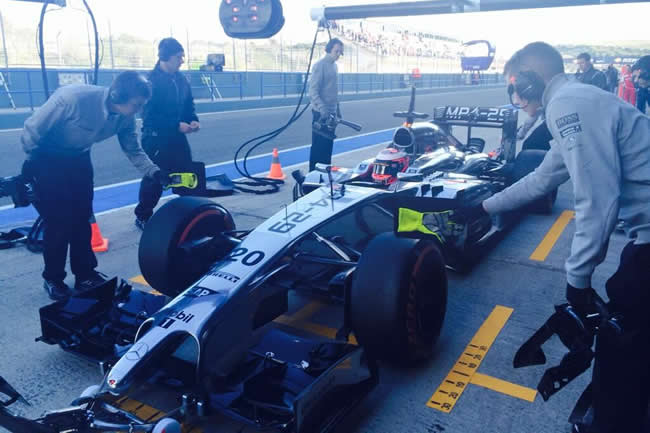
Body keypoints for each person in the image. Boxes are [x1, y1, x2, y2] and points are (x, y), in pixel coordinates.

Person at [465, 42, 650, 433]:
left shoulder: (567, 105)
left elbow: (597, 201)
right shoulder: (576, 100)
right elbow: (542, 179)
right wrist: (483, 208)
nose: (515, 98)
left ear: (531, 82)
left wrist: (576, 281)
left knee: (622, 336)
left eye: (515, 88)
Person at [21, 71, 165, 301]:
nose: (139, 110)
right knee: (59, 223)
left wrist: (154, 171)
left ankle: (85, 275)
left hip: (79, 159)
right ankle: (53, 279)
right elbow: (33, 129)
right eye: (136, 104)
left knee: (82, 220)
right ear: (117, 95)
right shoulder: (72, 99)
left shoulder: (125, 116)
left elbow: (133, 149)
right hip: (47, 158)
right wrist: (33, 165)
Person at [134, 37, 200, 229]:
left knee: (188, 174)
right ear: (165, 57)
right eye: (179, 57)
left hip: (177, 138)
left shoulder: (181, 80)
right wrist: (176, 125)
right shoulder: (149, 82)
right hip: (156, 139)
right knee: (155, 178)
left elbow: (188, 105)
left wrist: (192, 119)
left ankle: (188, 212)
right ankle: (143, 216)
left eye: (183, 56)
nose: (182, 60)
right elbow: (149, 116)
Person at [308, 38, 343, 171]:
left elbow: (333, 91)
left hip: (332, 114)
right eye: (336, 51)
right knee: (318, 147)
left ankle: (325, 174)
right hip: (320, 114)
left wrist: (337, 110)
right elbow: (313, 91)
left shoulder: (335, 66)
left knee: (328, 146)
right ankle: (314, 175)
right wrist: (322, 109)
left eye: (340, 52)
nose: (338, 54)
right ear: (329, 50)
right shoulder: (319, 65)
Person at [507, 69, 552, 152]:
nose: (516, 102)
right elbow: (532, 117)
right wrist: (519, 134)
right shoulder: (545, 102)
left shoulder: (555, 113)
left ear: (526, 98)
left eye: (518, 102)